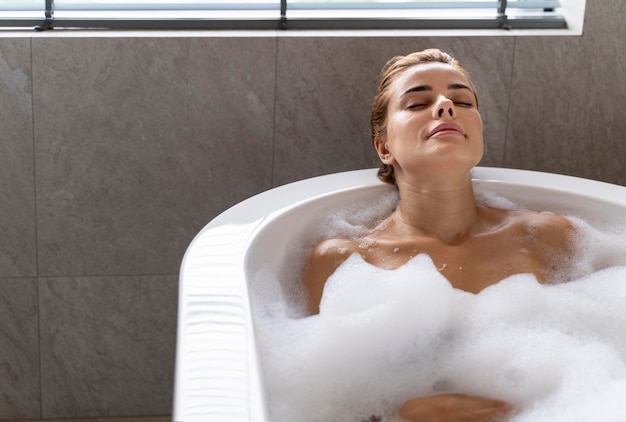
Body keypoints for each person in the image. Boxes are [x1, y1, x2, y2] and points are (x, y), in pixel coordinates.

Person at [304, 49, 576, 422]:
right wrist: (405, 414)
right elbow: (320, 401)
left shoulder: (548, 238)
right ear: (384, 147)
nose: (447, 105)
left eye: (462, 100)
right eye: (418, 103)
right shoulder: (345, 262)